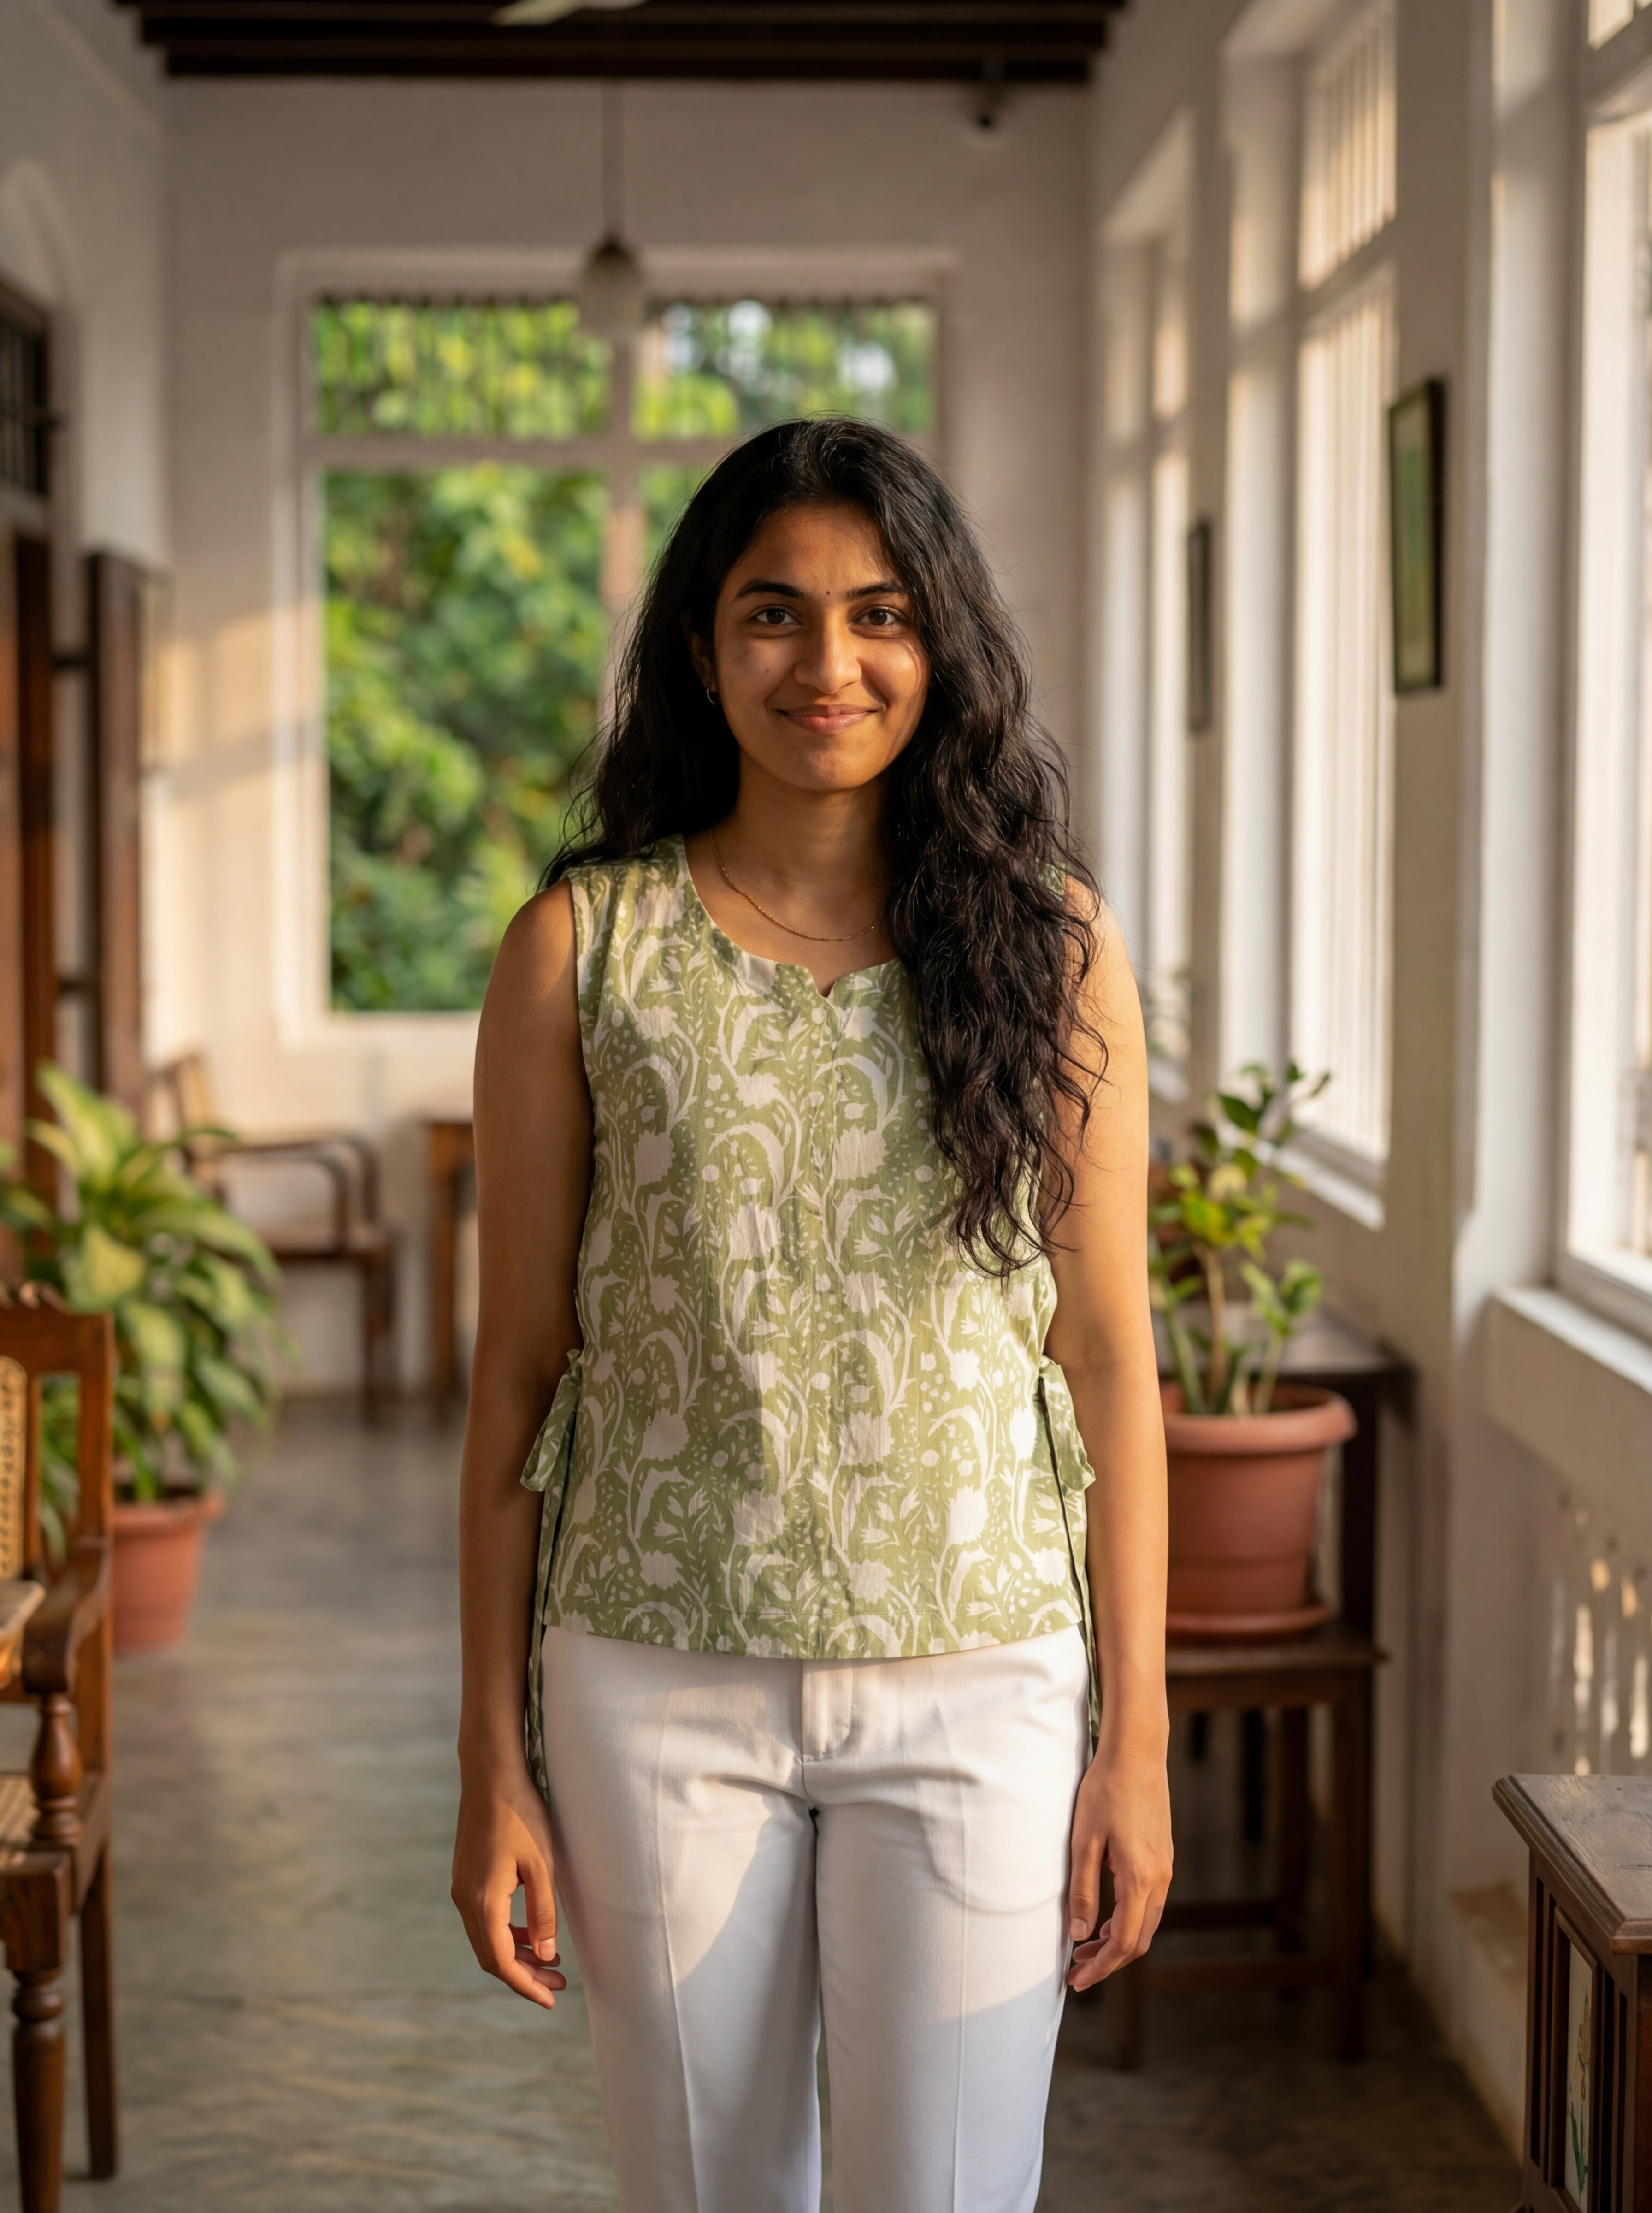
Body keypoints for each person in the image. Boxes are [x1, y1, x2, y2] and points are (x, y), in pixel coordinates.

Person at [451, 416, 1171, 2213]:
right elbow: (514, 1375)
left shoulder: (1049, 949)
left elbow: (1105, 1364)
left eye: (880, 614)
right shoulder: (580, 952)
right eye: (772, 614)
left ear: (942, 647)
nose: (827, 664)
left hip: (979, 1684)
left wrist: (1134, 1743)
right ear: (699, 646)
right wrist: (489, 1762)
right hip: (651, 1683)